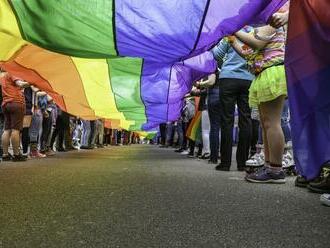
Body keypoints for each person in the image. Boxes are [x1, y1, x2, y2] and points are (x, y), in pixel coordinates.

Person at [230, 8, 288, 183]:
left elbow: (256, 43)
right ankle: (270, 166)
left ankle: (276, 170)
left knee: (272, 122)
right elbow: (248, 52)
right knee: (265, 123)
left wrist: (232, 28)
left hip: (273, 72)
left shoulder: (274, 17)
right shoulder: (261, 25)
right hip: (264, 73)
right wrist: (232, 40)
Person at [212, 35, 254, 171]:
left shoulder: (231, 34)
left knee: (227, 120)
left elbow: (217, 55)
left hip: (228, 78)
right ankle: (242, 163)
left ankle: (225, 163)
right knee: (246, 120)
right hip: (248, 79)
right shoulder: (254, 34)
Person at [0, 68, 29, 161]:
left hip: (6, 103)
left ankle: (5, 154)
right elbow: (20, 84)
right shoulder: (12, 72)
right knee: (16, 130)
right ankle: (16, 154)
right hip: (16, 103)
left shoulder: (2, 77)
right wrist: (33, 82)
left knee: (7, 129)